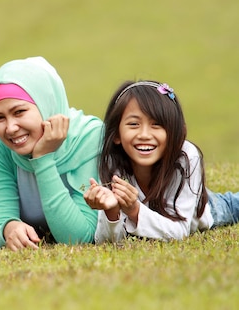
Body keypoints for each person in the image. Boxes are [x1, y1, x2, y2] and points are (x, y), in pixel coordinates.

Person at [83, 80, 239, 243]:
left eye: (157, 124)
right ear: (116, 134)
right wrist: (111, 211)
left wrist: (134, 209)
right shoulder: (111, 163)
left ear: (175, 133)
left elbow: (180, 231)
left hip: (205, 208)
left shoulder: (186, 156)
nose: (144, 134)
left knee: (233, 205)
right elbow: (105, 242)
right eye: (134, 124)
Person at [0, 57, 103, 251]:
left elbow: (79, 237)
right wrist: (8, 228)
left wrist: (43, 159)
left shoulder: (89, 136)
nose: (11, 128)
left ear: (47, 104)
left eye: (19, 112)